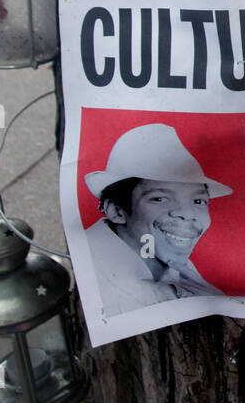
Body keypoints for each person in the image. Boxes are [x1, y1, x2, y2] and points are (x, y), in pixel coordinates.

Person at [83, 123, 232, 317]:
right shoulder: (103, 280)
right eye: (160, 199)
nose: (187, 214)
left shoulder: (160, 252)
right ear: (117, 211)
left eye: (198, 200)